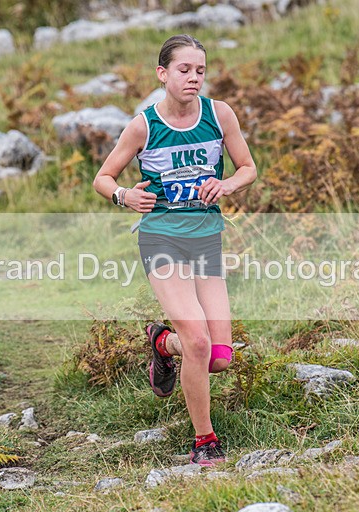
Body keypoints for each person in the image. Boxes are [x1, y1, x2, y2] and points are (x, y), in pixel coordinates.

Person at [93, 34, 257, 466]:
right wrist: (124, 196)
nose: (194, 78)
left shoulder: (219, 115)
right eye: (184, 70)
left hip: (206, 240)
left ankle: (162, 344)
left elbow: (248, 168)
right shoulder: (144, 126)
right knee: (199, 342)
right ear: (163, 74)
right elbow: (103, 178)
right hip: (162, 239)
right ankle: (205, 440)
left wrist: (226, 184)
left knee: (219, 358)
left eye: (200, 71)